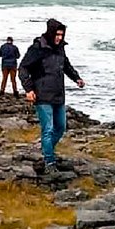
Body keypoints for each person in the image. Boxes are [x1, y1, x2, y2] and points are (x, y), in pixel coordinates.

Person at [18, 17, 84, 174]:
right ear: (50, 33)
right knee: (47, 129)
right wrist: (29, 89)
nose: (59, 38)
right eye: (57, 34)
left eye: (61, 35)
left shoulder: (60, 48)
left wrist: (77, 78)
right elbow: (23, 69)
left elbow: (66, 65)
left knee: (60, 128)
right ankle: (49, 161)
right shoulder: (37, 48)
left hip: (58, 95)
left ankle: (47, 151)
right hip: (42, 96)